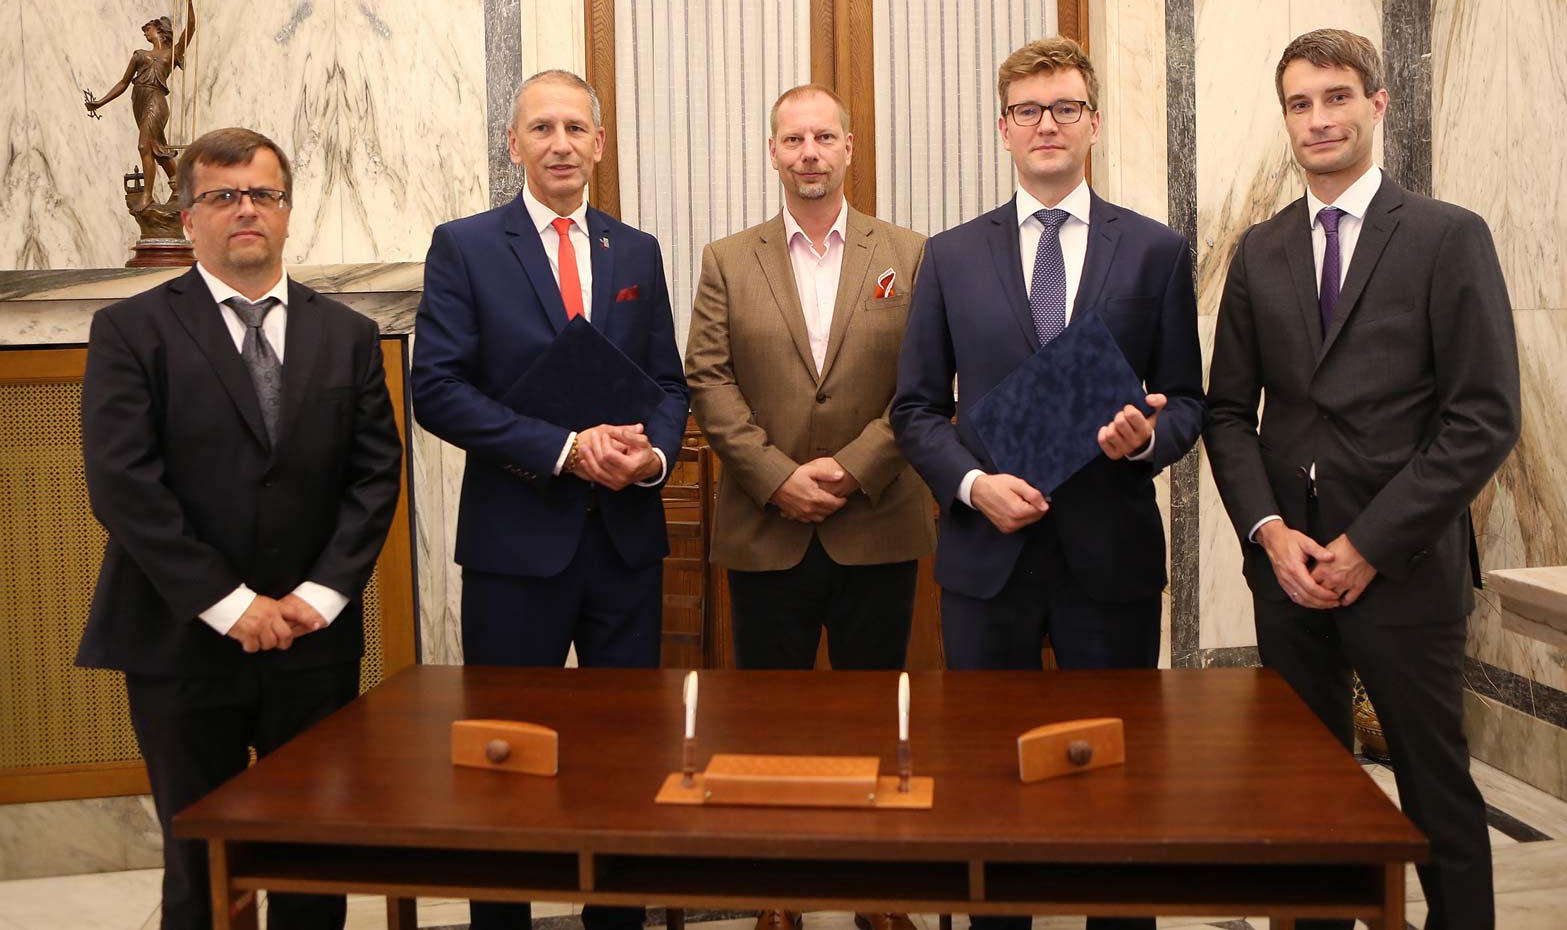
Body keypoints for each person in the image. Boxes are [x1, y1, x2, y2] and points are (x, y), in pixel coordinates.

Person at [1205, 28, 1519, 930]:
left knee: (1436, 794)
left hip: (1405, 570)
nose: (1319, 119)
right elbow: (1228, 414)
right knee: (1303, 801)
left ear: (1378, 105)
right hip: (1289, 572)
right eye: (1300, 104)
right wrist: (1270, 534)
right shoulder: (1259, 250)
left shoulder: (1446, 236)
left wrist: (1369, 544)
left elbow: (1483, 414)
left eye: (1336, 96)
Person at [890, 36, 1204, 930]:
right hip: (987, 555)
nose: (1047, 125)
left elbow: (1187, 400)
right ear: (1002, 128)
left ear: (1094, 122)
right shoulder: (950, 256)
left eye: (1066, 107)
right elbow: (913, 409)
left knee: (1117, 777)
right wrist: (972, 483)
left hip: (1110, 557)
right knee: (990, 779)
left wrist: (1145, 441)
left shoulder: (1154, 251)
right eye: (1028, 110)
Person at [76, 126, 404, 930]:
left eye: (262, 194)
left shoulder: (350, 335)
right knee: (201, 869)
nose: (245, 210)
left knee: (310, 855)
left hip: (312, 642)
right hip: (178, 641)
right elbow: (124, 486)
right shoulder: (131, 332)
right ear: (188, 220)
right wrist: (231, 604)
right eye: (222, 196)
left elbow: (374, 476)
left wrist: (318, 598)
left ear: (288, 213)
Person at [411, 69, 689, 930]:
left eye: (576, 128)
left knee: (626, 764)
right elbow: (438, 389)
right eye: (542, 129)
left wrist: (648, 459)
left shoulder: (634, 250)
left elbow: (668, 388)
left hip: (625, 546)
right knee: (505, 760)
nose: (561, 143)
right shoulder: (464, 245)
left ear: (599, 143)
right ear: (514, 144)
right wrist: (567, 451)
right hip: (515, 548)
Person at [684, 84, 934, 930]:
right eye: (794, 139)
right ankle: (777, 887)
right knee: (767, 721)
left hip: (879, 518)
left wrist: (853, 467)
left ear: (851, 147)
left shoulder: (910, 252)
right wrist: (774, 475)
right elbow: (707, 380)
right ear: (773, 151)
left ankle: (876, 888)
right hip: (765, 526)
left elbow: (925, 386)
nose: (810, 153)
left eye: (825, 137)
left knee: (876, 715)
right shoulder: (727, 258)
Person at [84, 0, 199, 210]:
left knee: (143, 146)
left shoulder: (172, 53)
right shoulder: (139, 55)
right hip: (139, 102)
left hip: (156, 100)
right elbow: (123, 83)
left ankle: (147, 196)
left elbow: (191, 29)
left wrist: (189, 0)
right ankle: (179, 188)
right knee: (156, 146)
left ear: (158, 29)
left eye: (147, 29)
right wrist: (100, 102)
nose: (144, 33)